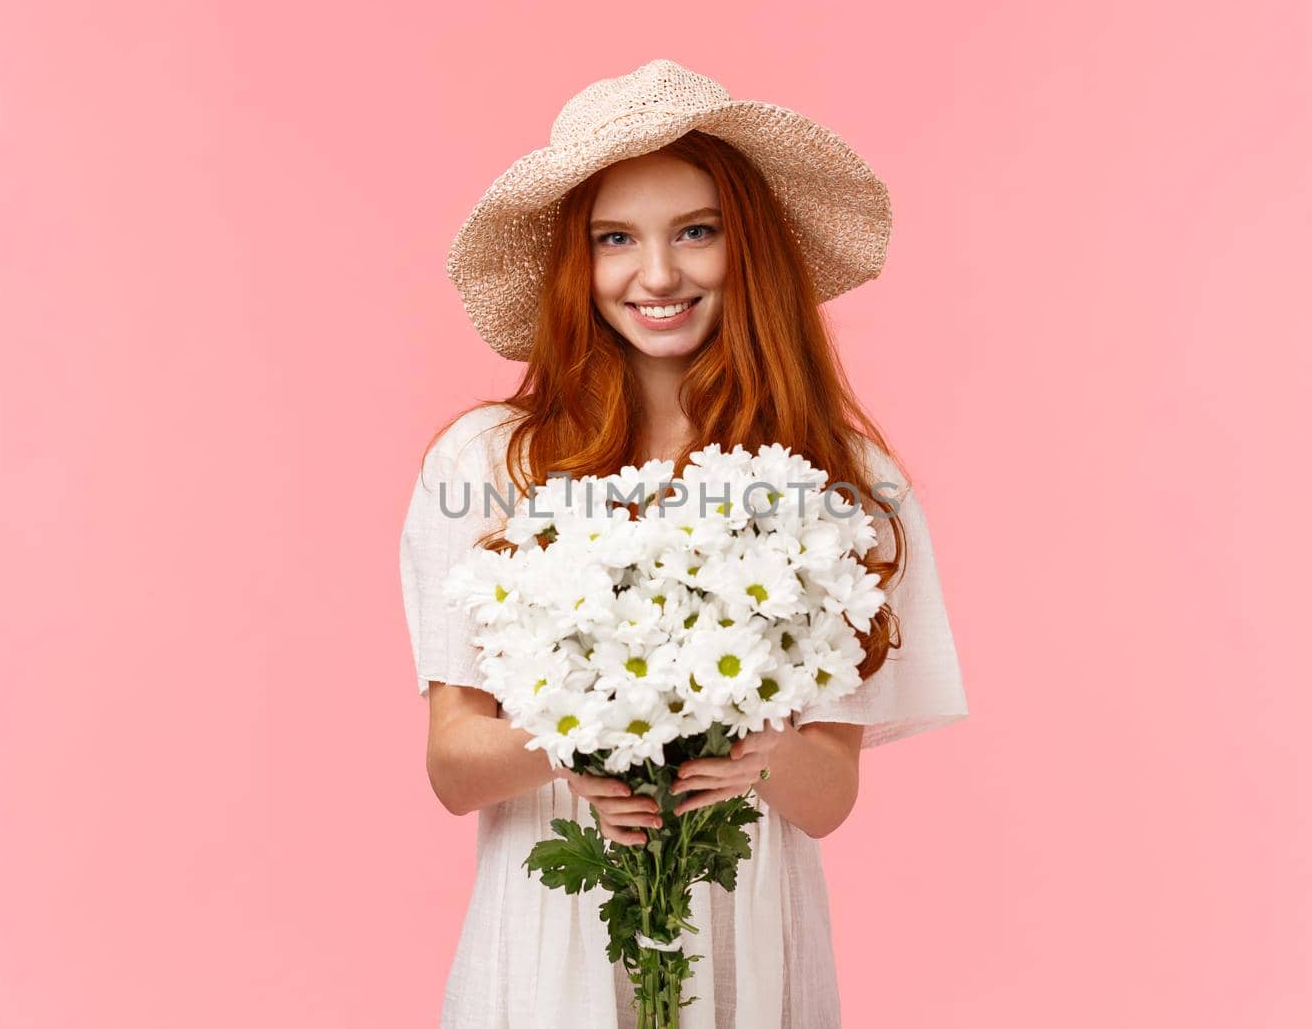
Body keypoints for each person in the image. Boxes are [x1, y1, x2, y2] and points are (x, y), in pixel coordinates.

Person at [399, 59, 969, 1028]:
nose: (656, 274)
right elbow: (453, 764)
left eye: (695, 231)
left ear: (747, 251)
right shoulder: (492, 457)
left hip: (745, 926)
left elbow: (826, 797)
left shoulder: (841, 479)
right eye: (614, 238)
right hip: (552, 929)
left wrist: (761, 748)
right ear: (576, 266)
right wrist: (573, 742)